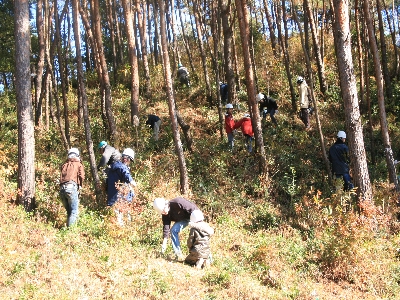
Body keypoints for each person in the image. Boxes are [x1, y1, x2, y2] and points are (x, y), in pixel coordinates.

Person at [106, 148, 137, 225]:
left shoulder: (113, 167)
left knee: (119, 219)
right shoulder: (121, 167)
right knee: (121, 221)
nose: (129, 163)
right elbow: (125, 174)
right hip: (119, 199)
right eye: (130, 160)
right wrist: (131, 181)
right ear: (126, 159)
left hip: (114, 199)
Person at [59, 148, 85, 227]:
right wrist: (80, 186)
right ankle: (71, 232)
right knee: (74, 212)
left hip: (61, 190)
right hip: (71, 187)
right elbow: (82, 176)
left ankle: (67, 230)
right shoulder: (78, 164)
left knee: (69, 212)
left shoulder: (64, 165)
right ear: (77, 155)